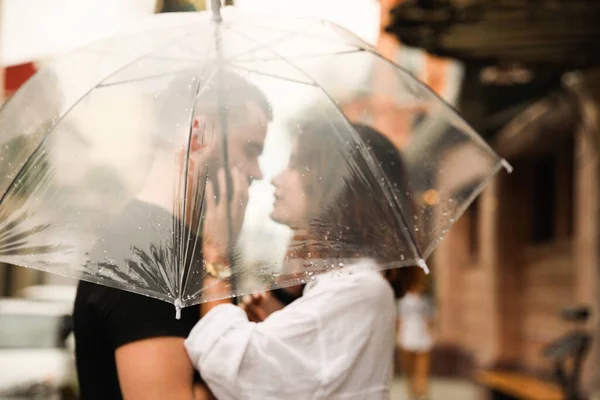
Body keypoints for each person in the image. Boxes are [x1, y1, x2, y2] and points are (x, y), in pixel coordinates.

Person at [72, 71, 272, 400]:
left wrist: (236, 335)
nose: (258, 173)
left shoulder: (185, 245)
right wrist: (238, 364)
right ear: (199, 135)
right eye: (250, 150)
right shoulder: (143, 252)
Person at [185, 122, 417, 399]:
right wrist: (278, 324)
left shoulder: (358, 287)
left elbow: (232, 364)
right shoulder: (352, 284)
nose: (276, 178)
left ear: (335, 184)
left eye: (295, 165)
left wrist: (216, 256)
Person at [397, 268, 434, 400]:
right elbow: (399, 320)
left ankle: (421, 392)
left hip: (422, 338)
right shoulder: (403, 302)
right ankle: (412, 392)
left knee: (422, 369)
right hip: (407, 338)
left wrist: (431, 333)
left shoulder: (426, 302)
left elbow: (430, 320)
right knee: (409, 370)